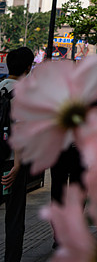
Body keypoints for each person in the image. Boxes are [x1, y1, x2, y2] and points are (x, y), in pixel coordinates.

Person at [0, 46, 34, 262]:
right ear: (28, 68)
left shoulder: (0, 88)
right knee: (14, 216)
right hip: (12, 164)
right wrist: (18, 165)